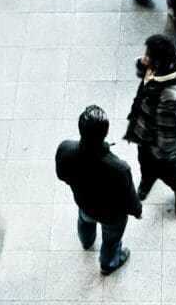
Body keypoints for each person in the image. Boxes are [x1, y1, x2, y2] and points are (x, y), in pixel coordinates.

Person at [56, 105, 143, 275]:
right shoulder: (118, 168)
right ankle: (108, 263)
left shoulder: (65, 149)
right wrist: (137, 211)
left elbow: (61, 175)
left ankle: (87, 242)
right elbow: (129, 197)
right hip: (111, 215)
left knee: (85, 221)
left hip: (84, 203)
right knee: (111, 240)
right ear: (105, 132)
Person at [124, 34, 176, 217]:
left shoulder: (170, 95)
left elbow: (172, 131)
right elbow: (145, 75)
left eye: (148, 56)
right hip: (145, 131)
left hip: (160, 145)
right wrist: (144, 64)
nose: (144, 57)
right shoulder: (159, 69)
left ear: (158, 63)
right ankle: (148, 177)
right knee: (144, 160)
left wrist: (163, 154)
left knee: (169, 171)